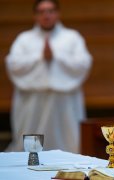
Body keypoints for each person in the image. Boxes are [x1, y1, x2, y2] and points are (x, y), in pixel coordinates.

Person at [5, 0, 92, 153]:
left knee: (68, 144)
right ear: (35, 15)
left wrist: (56, 58)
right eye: (41, 11)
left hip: (63, 101)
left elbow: (83, 63)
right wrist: (40, 58)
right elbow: (13, 64)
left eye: (50, 11)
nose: (46, 15)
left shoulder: (72, 37)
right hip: (33, 100)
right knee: (31, 143)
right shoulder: (24, 39)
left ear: (57, 13)